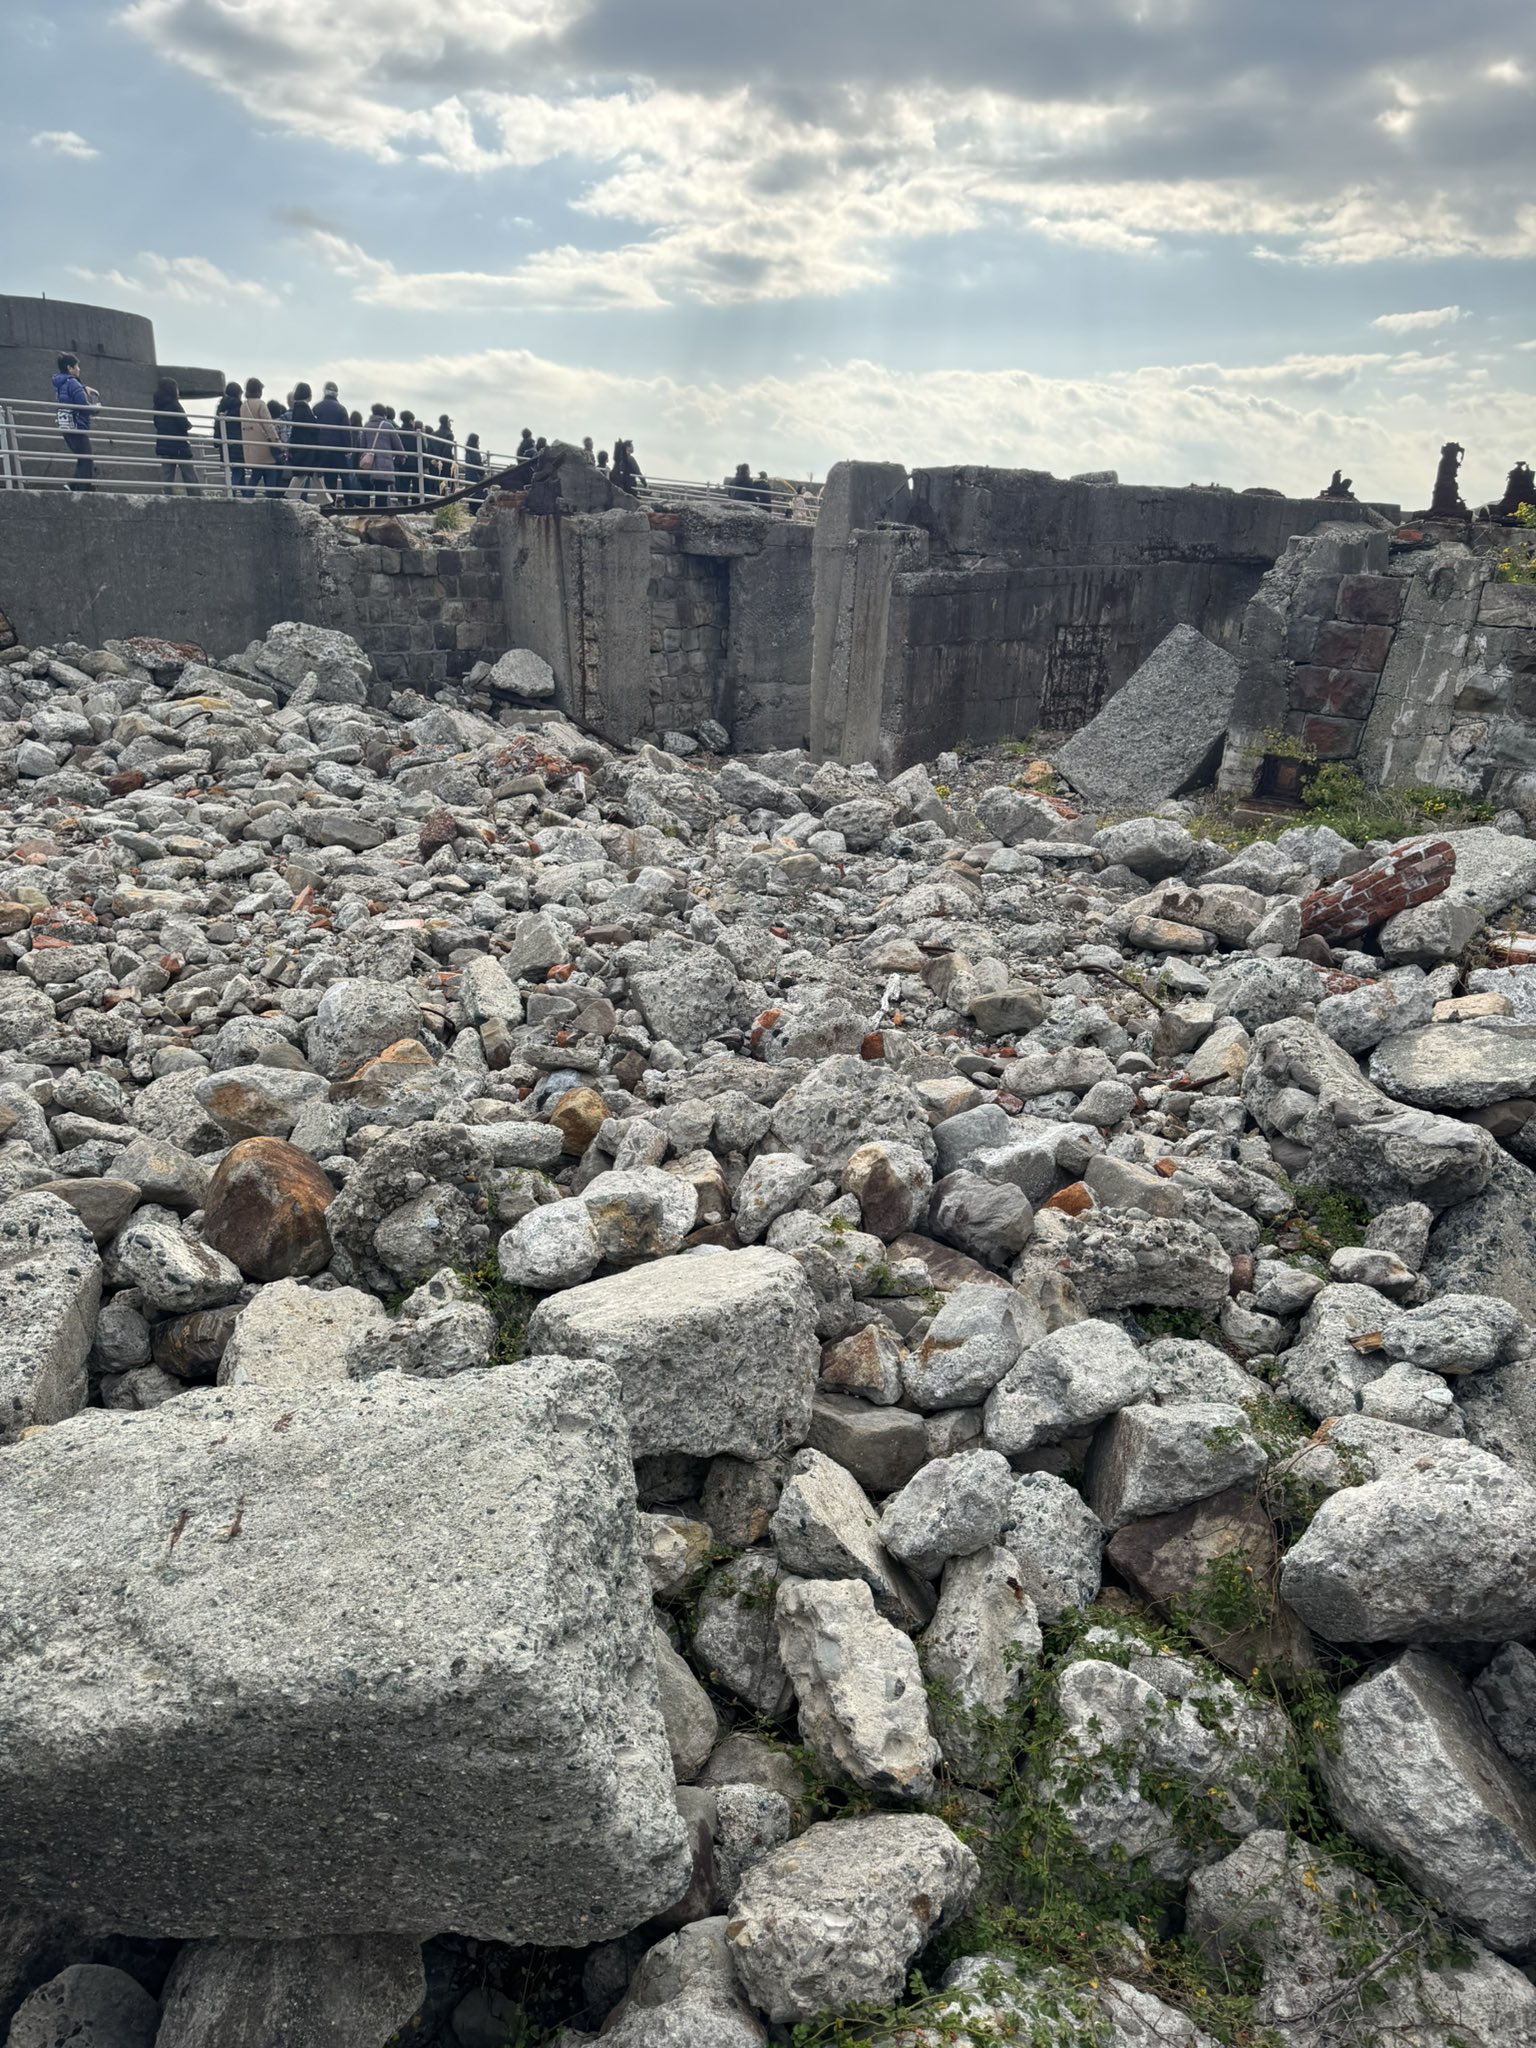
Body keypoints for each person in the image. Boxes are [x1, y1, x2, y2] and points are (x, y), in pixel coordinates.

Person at [51, 352, 99, 491]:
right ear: (69, 368)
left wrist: (83, 388)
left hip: (66, 426)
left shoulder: (61, 383)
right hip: (77, 426)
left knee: (83, 457)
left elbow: (69, 397)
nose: (79, 369)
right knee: (86, 458)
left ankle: (72, 486)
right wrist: (96, 409)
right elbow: (83, 406)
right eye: (77, 366)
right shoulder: (73, 383)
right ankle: (83, 489)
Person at [151, 376, 198, 494]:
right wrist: (189, 426)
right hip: (179, 445)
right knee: (189, 473)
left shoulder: (158, 405)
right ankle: (196, 495)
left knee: (167, 474)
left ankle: (167, 496)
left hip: (164, 444)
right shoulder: (175, 405)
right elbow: (183, 423)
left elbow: (156, 423)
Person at [238, 377, 281, 495]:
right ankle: (271, 500)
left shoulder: (243, 406)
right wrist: (276, 440)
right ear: (258, 390)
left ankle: (248, 498)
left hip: (250, 447)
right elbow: (268, 424)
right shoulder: (261, 404)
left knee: (255, 476)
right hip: (264, 446)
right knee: (270, 476)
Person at [312, 381, 353, 502]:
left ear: (324, 391)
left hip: (322, 448)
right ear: (336, 393)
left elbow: (313, 429)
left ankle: (330, 501)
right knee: (344, 476)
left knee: (328, 477)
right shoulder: (341, 409)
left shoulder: (317, 408)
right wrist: (348, 448)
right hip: (338, 449)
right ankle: (350, 502)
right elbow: (345, 430)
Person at [357, 401, 402, 509]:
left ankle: (367, 511)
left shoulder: (367, 425)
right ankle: (381, 512)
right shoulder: (388, 426)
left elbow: (362, 445)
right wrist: (402, 457)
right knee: (382, 490)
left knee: (368, 489)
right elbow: (398, 445)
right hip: (384, 463)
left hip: (370, 463)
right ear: (384, 414)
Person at [285, 381, 323, 501]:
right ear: (308, 394)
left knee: (310, 474)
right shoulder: (304, 408)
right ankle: (289, 497)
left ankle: (326, 500)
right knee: (305, 474)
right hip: (307, 448)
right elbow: (313, 427)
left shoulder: (297, 408)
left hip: (302, 447)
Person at [214, 380, 244, 495]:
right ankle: (231, 493)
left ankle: (245, 494)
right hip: (237, 443)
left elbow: (217, 425)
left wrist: (217, 441)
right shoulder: (239, 407)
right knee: (238, 469)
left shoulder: (222, 407)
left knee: (237, 469)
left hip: (225, 442)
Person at [463, 432, 486, 509]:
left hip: (468, 478)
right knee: (478, 501)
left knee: (471, 499)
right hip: (476, 479)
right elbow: (479, 469)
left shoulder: (467, 452)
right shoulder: (475, 452)